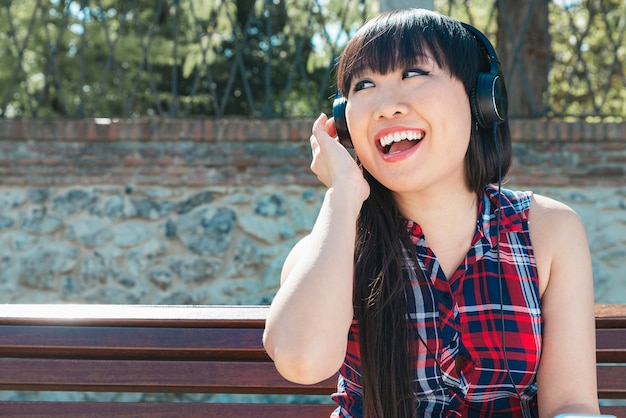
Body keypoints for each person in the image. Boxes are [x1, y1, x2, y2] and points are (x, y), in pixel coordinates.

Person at [263, 8, 599, 418]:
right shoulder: (333, 243)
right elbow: (302, 361)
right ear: (343, 125)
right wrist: (343, 194)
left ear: (482, 101)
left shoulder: (548, 230)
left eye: (413, 74)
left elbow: (572, 404)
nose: (386, 107)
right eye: (364, 85)